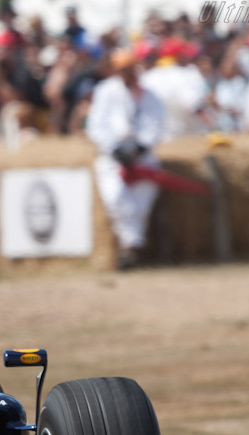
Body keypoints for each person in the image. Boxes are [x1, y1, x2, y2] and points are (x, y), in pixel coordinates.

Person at [86, 48, 165, 270]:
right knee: (116, 199)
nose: (127, 74)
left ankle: (131, 248)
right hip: (112, 158)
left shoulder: (149, 94)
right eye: (122, 70)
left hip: (143, 158)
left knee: (140, 204)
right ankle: (132, 246)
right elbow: (96, 126)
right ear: (115, 70)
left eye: (130, 69)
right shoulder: (105, 91)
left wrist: (140, 148)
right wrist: (114, 150)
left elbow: (155, 124)